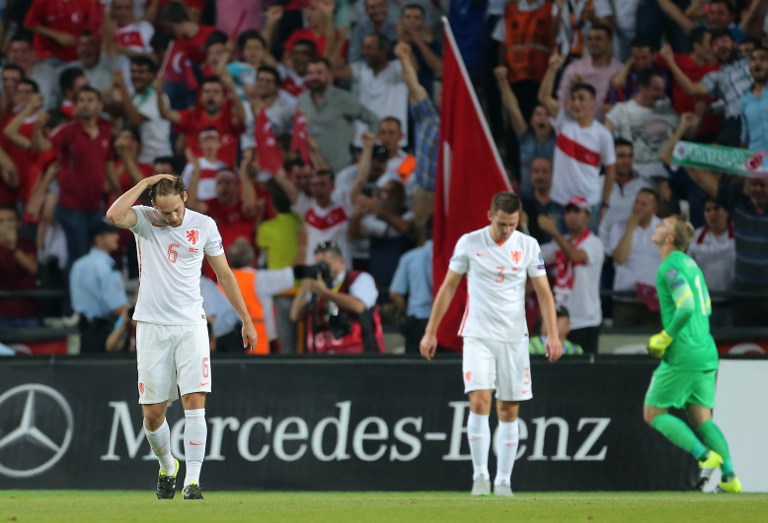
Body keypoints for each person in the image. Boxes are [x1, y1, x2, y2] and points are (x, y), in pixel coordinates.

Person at [106, 174, 258, 500]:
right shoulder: (145, 220)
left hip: (191, 325)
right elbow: (114, 215)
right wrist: (145, 182)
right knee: (152, 413)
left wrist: (247, 319)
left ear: (185, 197)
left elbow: (224, 274)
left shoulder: (204, 225)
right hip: (151, 326)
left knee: (194, 401)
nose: (171, 217)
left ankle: (193, 481)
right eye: (165, 211)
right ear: (153, 205)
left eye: (175, 210)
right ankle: (167, 466)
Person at [419, 192, 563, 496]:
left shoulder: (528, 246)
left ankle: (504, 481)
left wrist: (552, 334)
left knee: (509, 410)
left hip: (514, 338)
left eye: (512, 224)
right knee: (480, 402)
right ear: (490, 216)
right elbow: (448, 288)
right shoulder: (470, 243)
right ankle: (481, 477)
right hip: (478, 335)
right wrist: (431, 331)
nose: (507, 230)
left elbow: (544, 293)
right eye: (501, 224)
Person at [643, 214, 741, 494]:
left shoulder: (669, 266)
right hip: (706, 349)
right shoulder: (691, 265)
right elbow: (705, 307)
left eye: (662, 225)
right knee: (702, 418)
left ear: (670, 239)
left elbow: (685, 306)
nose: (657, 225)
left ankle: (703, 456)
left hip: (684, 351)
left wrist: (666, 336)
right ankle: (731, 478)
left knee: (652, 412)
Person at [290, 240, 384, 354]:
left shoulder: (359, 278)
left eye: (325, 264)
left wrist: (324, 292)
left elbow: (359, 306)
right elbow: (295, 315)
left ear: (341, 261)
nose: (322, 269)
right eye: (318, 264)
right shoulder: (316, 286)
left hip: (358, 353)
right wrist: (306, 284)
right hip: (322, 355)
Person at [539, 196, 604, 354]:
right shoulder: (562, 242)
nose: (571, 216)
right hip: (560, 322)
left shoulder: (594, 243)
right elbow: (535, 254)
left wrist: (554, 231)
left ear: (588, 216)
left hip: (585, 321)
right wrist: (522, 225)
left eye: (577, 211)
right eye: (568, 211)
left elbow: (575, 256)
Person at [69, 219, 129, 353]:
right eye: (111, 233)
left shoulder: (78, 265)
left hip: (83, 332)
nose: (116, 236)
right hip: (104, 333)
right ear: (99, 239)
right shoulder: (106, 267)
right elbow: (119, 308)